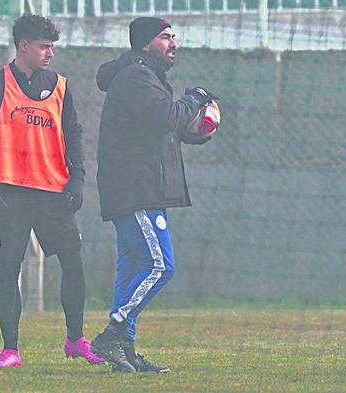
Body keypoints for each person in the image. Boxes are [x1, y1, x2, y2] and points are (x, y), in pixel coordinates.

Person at [0, 14, 103, 368]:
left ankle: (75, 340)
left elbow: (75, 134)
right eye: (44, 47)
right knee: (9, 270)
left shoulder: (60, 86)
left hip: (54, 192)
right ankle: (11, 350)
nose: (50, 54)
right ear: (22, 46)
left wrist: (79, 177)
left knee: (73, 261)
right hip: (8, 193)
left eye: (52, 47)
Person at [90, 16, 217, 373]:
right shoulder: (136, 75)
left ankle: (123, 351)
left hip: (138, 186)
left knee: (132, 267)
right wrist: (195, 99)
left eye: (174, 37)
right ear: (146, 42)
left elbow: (158, 126)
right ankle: (114, 333)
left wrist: (192, 132)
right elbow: (166, 114)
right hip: (137, 189)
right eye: (165, 37)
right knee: (161, 265)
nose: (173, 43)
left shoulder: (145, 74)